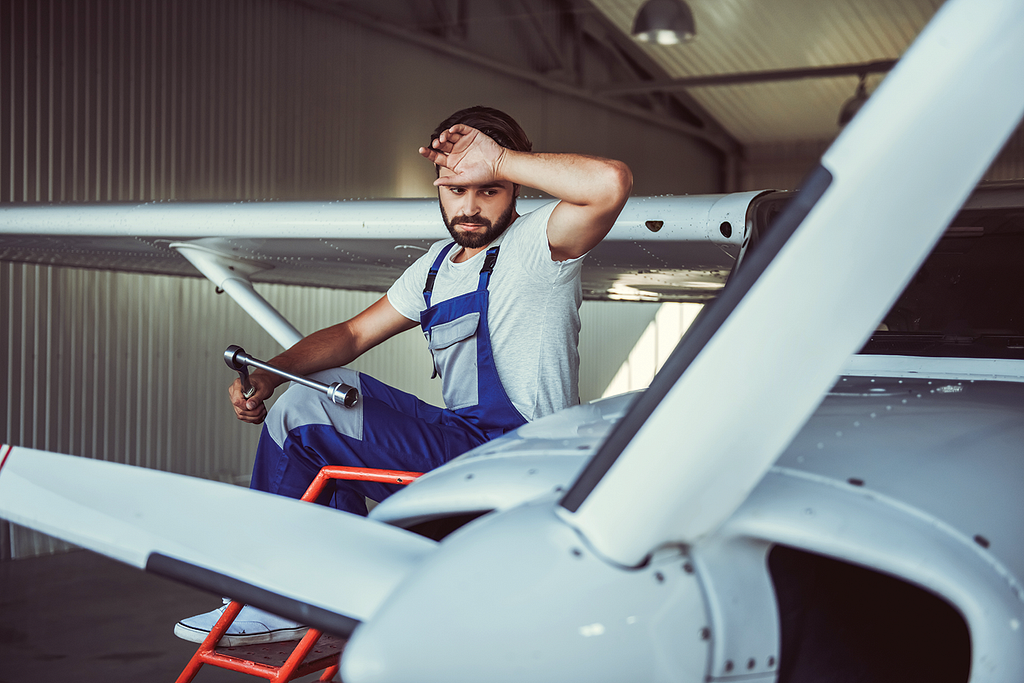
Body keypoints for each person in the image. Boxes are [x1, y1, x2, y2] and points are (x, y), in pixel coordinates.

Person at [174, 105, 632, 646]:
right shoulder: (436, 266)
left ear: (514, 189)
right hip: (465, 446)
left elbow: (610, 183)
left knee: (307, 414)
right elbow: (351, 335)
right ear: (437, 187)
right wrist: (273, 374)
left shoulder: (539, 245)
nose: (470, 206)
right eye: (457, 189)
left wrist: (500, 157)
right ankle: (303, 589)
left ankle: (280, 594)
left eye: (489, 188)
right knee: (306, 398)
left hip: (521, 463)